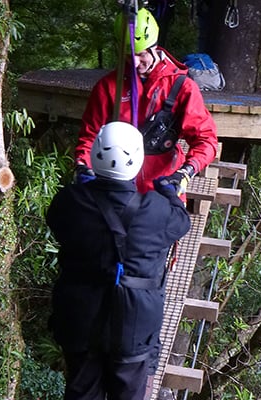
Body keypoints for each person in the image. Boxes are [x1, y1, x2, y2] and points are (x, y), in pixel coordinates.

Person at [47, 121, 191, 400]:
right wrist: (170, 192)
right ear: (136, 160)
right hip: (134, 323)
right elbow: (181, 221)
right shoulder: (156, 211)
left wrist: (84, 186)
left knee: (81, 392)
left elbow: (57, 220)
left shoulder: (70, 202)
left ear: (95, 156)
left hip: (80, 317)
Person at [73, 7, 218, 200]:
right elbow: (90, 136)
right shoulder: (108, 87)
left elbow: (205, 139)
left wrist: (186, 172)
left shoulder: (181, 87)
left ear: (154, 48)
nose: (134, 62)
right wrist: (83, 166)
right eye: (127, 55)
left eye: (141, 54)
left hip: (162, 188)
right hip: (115, 190)